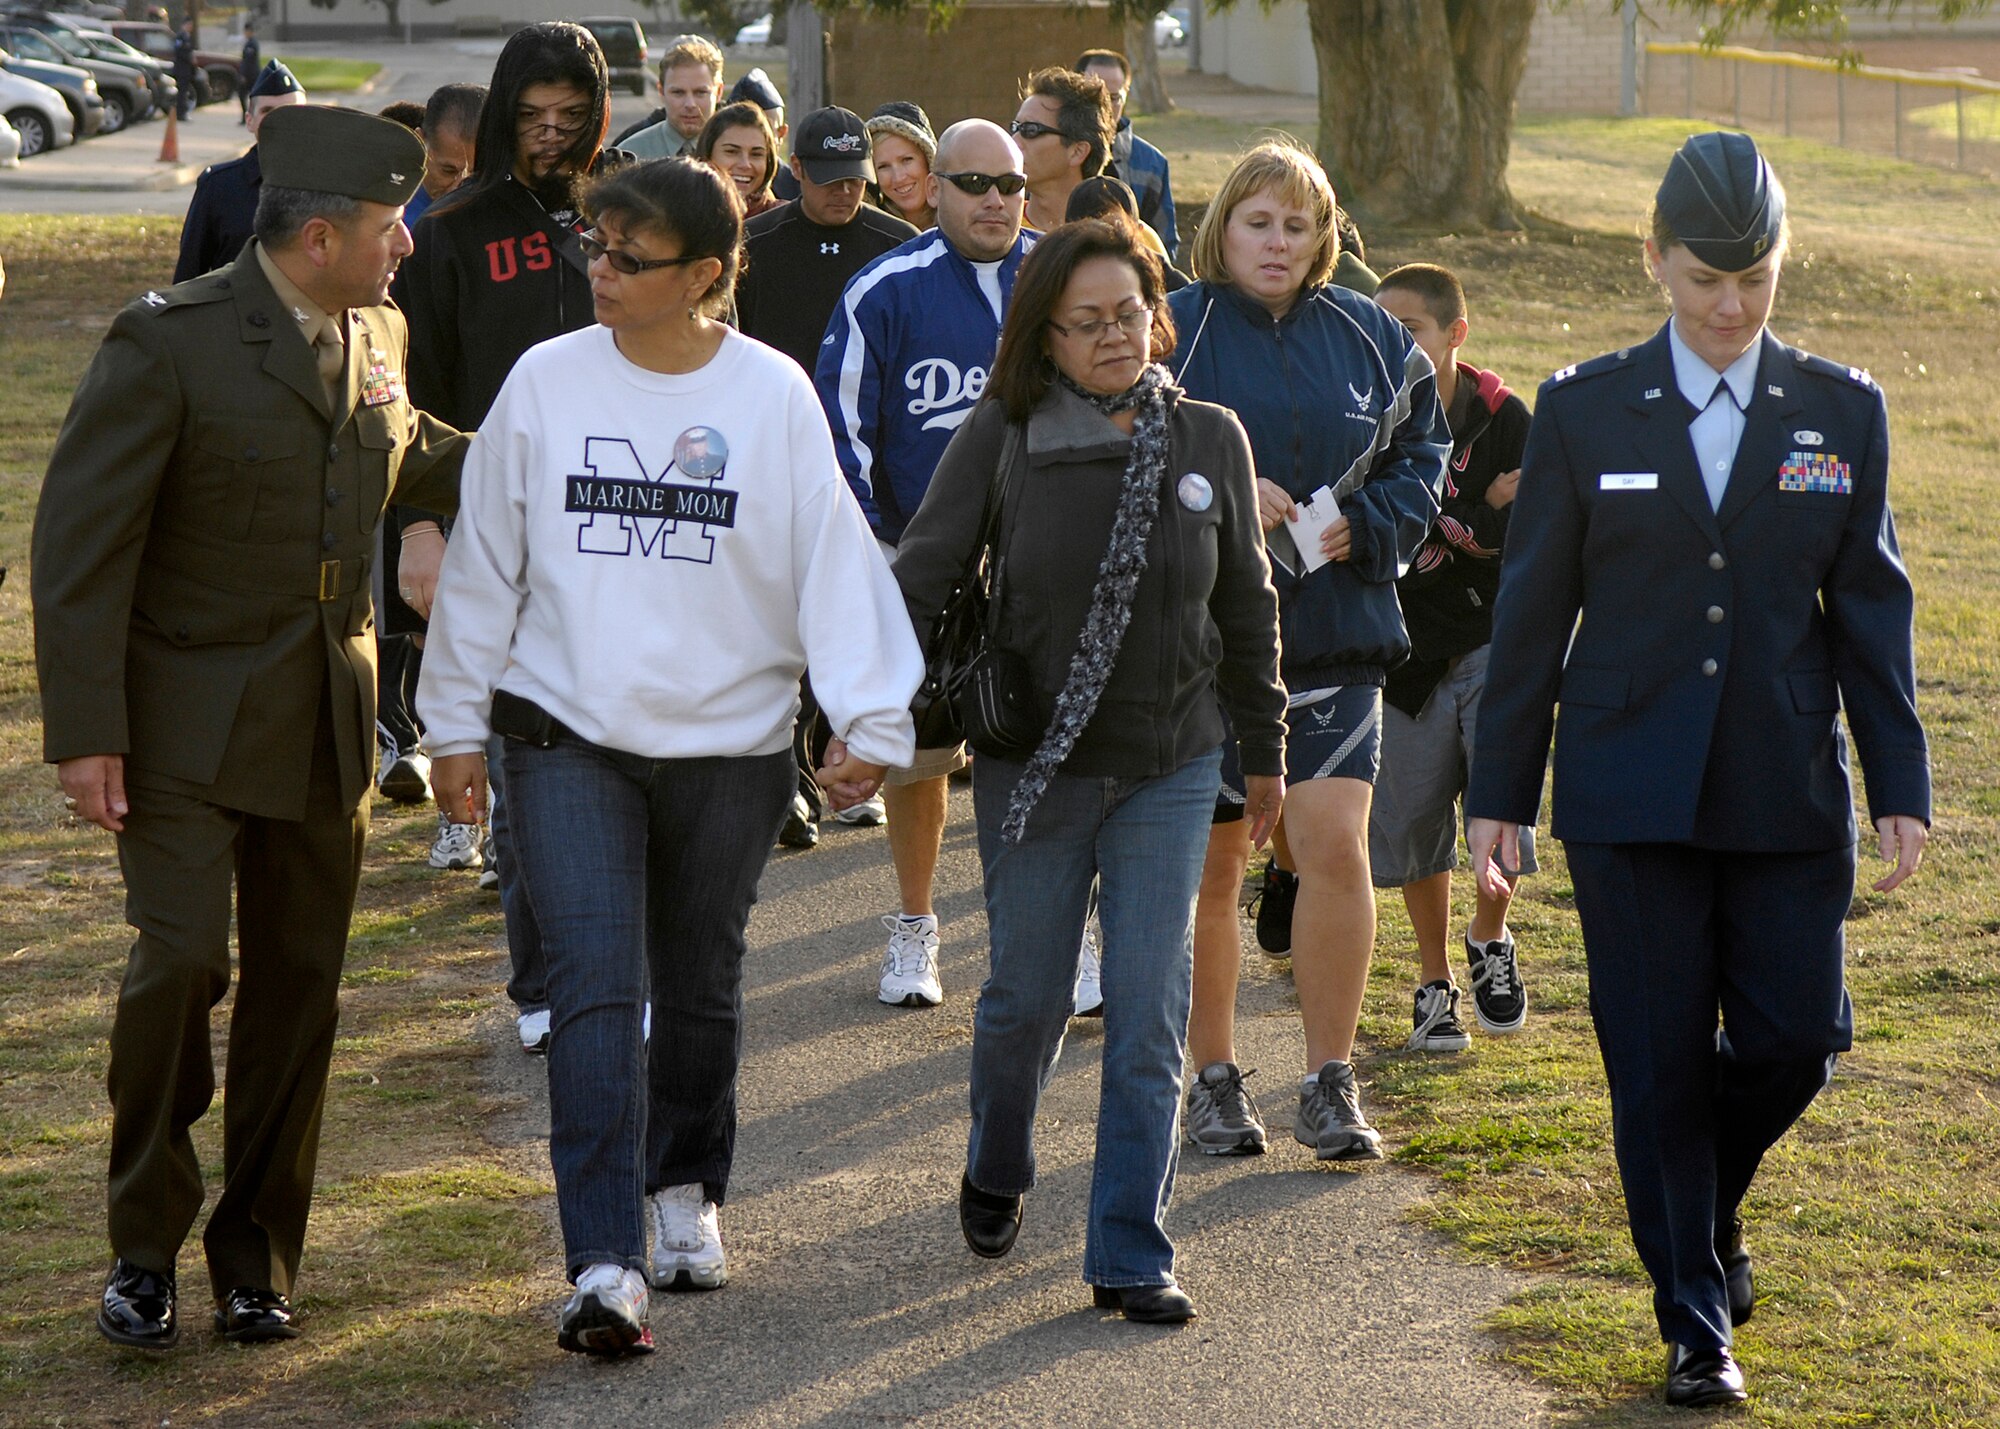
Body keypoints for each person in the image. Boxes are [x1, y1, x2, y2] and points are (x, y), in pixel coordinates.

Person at [418, 157, 922, 1357]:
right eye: (592, 245)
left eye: (627, 257)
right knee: (594, 989)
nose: (598, 268)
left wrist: (869, 720)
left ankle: (682, 1185)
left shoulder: (771, 396)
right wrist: (451, 725)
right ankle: (602, 1262)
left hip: (730, 747)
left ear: (704, 274)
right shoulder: (543, 383)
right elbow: (484, 565)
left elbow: (833, 567)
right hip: (562, 736)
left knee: (696, 982)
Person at [1466, 132, 1931, 1409]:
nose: (1728, 307)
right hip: (1625, 790)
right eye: (1701, 280)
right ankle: (1692, 1318)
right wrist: (1498, 791)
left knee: (1794, 1041)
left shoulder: (1841, 410)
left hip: (1784, 783)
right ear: (1651, 261)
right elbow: (1529, 615)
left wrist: (1897, 777)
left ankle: (1698, 1203)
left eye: (1755, 280)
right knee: (1657, 1059)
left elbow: (1868, 607)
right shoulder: (1582, 407)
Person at [33, 105, 467, 1353]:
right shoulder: (166, 341)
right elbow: (78, 550)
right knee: (178, 967)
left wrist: (560, 439)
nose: (409, 248)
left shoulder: (373, 327)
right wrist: (84, 731)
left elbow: (406, 456)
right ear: (319, 234)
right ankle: (142, 1246)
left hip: (325, 717)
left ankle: (257, 1255)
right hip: (177, 718)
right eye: (393, 228)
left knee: (301, 991)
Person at [894, 219, 1285, 1323]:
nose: (1115, 337)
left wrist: (1264, 751)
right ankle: (998, 1159)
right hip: (1035, 770)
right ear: (1044, 338)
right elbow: (922, 575)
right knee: (1022, 1000)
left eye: (1131, 313)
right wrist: (859, 711)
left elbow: (1245, 607)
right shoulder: (1005, 432)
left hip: (1171, 759)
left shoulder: (1209, 436)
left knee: (1149, 1007)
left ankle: (1128, 1247)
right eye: (1087, 322)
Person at [1167, 141, 1447, 1161]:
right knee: (1214, 869)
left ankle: (1329, 1081)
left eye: (1296, 225)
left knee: (1333, 851)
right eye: (1257, 222)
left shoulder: (1373, 336)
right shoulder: (1172, 326)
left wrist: (1371, 522)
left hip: (1335, 635)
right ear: (1222, 229)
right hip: (1199, 650)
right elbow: (1125, 445)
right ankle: (1210, 1080)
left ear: (1322, 238)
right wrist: (1221, 492)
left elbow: (1426, 454)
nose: (1275, 242)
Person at [396, 19, 618, 1049]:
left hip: (627, 529)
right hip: (498, 532)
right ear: (498, 113)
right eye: (531, 116)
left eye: (571, 118)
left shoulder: (621, 217)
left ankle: (614, 973)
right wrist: (422, 527)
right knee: (529, 766)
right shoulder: (449, 231)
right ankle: (539, 988)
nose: (550, 136)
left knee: (621, 765)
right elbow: (413, 401)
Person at [815, 118, 1034, 1008]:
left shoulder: (1059, 274)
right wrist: (884, 549)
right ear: (932, 187)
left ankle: (1070, 934)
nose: (994, 200)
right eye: (973, 183)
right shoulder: (885, 288)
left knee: (1052, 749)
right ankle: (914, 927)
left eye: (1009, 185)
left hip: (1038, 562)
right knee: (919, 758)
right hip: (923, 561)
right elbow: (842, 425)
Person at [1365, 262, 1535, 1052]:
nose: (1394, 344)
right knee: (1416, 823)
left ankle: (1488, 936)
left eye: (1413, 332)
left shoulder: (1505, 417)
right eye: (1384, 328)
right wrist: (1477, 508)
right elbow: (1380, 524)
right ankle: (1435, 982)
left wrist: (1471, 518)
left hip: (1493, 639)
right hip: (1404, 653)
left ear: (1455, 335)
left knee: (1500, 800)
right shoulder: (1364, 411)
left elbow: (1518, 534)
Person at [173, 60, 305, 283]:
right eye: (267, 111)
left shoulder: (330, 185)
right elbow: (189, 275)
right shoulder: (218, 187)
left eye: (289, 111)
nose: (278, 121)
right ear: (250, 121)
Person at [1075, 49, 1178, 262]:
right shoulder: (1050, 151)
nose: (1103, 107)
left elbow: (1165, 247)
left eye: (1113, 98)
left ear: (1126, 95)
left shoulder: (1152, 163)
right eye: (1093, 97)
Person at [1011, 66, 1114, 237]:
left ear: (1077, 151)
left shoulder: (1125, 239)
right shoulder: (997, 231)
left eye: (1030, 130)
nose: (1013, 141)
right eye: (1015, 128)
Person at [611, 33, 722, 159]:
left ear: (718, 92)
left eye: (700, 93)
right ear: (661, 92)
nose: (690, 104)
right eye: (678, 93)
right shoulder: (630, 156)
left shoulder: (740, 155)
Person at [1065, 175, 1183, 289]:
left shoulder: (1163, 278)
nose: (1103, 240)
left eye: (1115, 229)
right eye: (1091, 231)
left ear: (1138, 231)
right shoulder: (1056, 274)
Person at [404, 83, 484, 230]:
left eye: (476, 174)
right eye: (448, 171)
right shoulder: (390, 221)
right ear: (419, 143)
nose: (458, 190)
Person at [691, 100, 781, 220]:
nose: (745, 165)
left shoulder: (782, 221)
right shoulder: (679, 215)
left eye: (756, 154)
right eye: (732, 152)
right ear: (706, 157)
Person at [866, 100, 935, 232]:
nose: (898, 178)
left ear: (928, 160)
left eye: (906, 160)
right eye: (883, 166)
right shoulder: (870, 233)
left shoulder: (961, 224)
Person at [170, 20, 196, 121]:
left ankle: (183, 112)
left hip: (187, 69)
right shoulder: (181, 37)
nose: (190, 27)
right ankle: (181, 113)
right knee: (181, 92)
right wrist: (189, 58)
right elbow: (178, 51)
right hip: (181, 69)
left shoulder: (188, 37)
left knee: (184, 91)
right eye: (189, 25)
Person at [236, 20, 258, 124]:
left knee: (249, 97)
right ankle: (246, 116)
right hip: (249, 74)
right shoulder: (249, 43)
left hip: (251, 75)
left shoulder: (252, 44)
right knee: (244, 96)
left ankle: (249, 116)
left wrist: (243, 75)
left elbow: (248, 61)